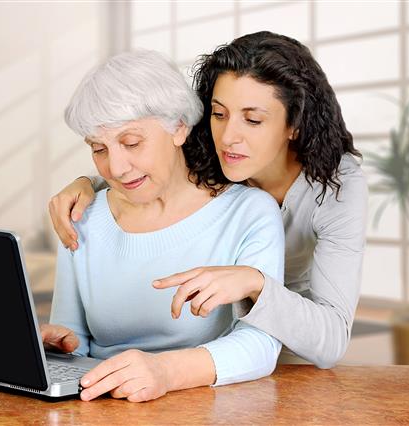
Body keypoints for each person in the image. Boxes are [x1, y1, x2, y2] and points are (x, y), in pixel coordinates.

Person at [48, 31, 368, 369]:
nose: (228, 137)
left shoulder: (335, 187)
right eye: (219, 114)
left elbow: (330, 338)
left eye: (253, 119)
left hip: (289, 348)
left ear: (295, 124)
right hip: (213, 351)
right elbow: (144, 164)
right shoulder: (214, 149)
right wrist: (87, 183)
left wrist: (254, 282)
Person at [42, 49, 286, 403]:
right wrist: (53, 347)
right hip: (100, 407)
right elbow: (74, 339)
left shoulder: (248, 213)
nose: (117, 168)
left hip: (201, 407)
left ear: (179, 127)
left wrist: (164, 372)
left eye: (131, 142)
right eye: (99, 149)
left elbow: (262, 344)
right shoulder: (82, 217)